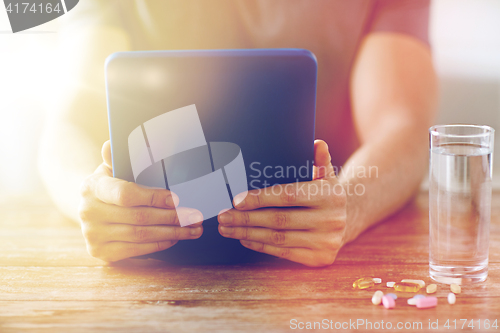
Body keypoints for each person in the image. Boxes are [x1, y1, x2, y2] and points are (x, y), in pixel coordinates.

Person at [38, 0, 437, 266]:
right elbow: (70, 123)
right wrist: (87, 197)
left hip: (314, 254)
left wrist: (349, 206)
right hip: (156, 262)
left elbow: (402, 126)